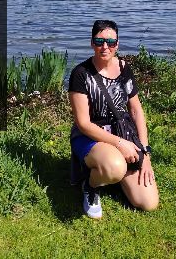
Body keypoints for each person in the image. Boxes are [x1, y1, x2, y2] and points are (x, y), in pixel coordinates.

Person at [68, 19, 159, 218]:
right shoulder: (80, 74)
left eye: (110, 42)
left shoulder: (125, 68)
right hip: (90, 136)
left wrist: (145, 153)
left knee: (148, 203)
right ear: (91, 43)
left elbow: (136, 110)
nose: (105, 47)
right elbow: (83, 123)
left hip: (122, 131)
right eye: (99, 41)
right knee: (115, 167)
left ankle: (112, 174)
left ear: (117, 44)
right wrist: (120, 144)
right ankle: (91, 184)